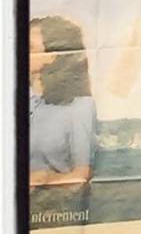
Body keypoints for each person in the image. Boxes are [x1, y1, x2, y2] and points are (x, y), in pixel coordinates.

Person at [28, 16, 97, 219]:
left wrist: (44, 179)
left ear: (53, 55)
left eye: (30, 47)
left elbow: (81, 176)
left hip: (53, 214)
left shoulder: (80, 107)